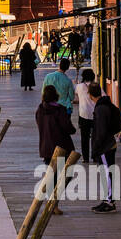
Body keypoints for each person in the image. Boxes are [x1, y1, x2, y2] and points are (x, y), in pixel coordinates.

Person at [35, 84, 75, 214]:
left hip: (46, 147)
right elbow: (66, 127)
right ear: (56, 96)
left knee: (53, 175)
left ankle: (52, 202)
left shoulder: (40, 110)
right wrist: (72, 129)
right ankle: (53, 204)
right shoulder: (60, 110)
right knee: (65, 175)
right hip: (61, 147)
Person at [88, 82, 121, 213]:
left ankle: (109, 202)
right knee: (106, 174)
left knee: (107, 174)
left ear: (90, 95)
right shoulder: (106, 105)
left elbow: (100, 131)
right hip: (109, 144)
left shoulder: (100, 109)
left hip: (105, 146)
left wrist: (96, 148)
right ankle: (106, 199)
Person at [75, 68, 96, 162]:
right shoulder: (96, 86)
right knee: (95, 137)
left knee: (84, 138)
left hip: (83, 115)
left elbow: (75, 95)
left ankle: (85, 158)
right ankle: (95, 156)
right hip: (95, 115)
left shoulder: (79, 86)